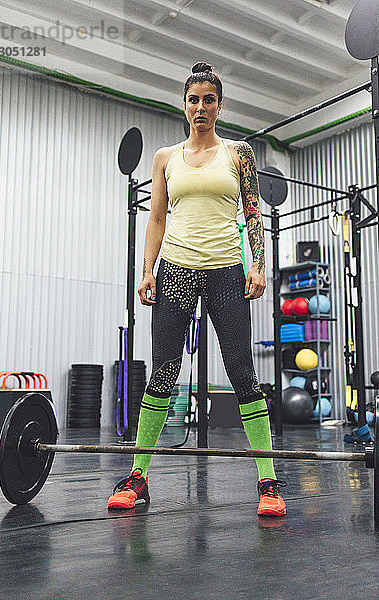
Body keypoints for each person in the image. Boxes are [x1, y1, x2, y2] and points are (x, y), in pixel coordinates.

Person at [107, 62, 286, 517]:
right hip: (177, 271)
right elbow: (157, 219)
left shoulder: (239, 153)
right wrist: (147, 271)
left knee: (242, 373)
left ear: (220, 106)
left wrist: (258, 265)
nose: (200, 107)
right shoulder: (165, 157)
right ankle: (138, 478)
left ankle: (267, 482)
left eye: (209, 99)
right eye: (193, 99)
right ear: (184, 105)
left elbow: (251, 214)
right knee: (162, 375)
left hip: (227, 270)